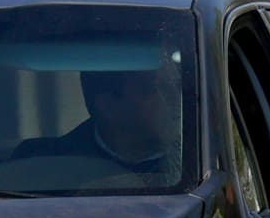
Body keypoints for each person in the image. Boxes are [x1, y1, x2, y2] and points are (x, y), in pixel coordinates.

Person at [12, 66, 182, 182]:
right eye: (153, 90)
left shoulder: (194, 160)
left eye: (176, 86)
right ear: (108, 107)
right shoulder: (41, 164)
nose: (176, 99)